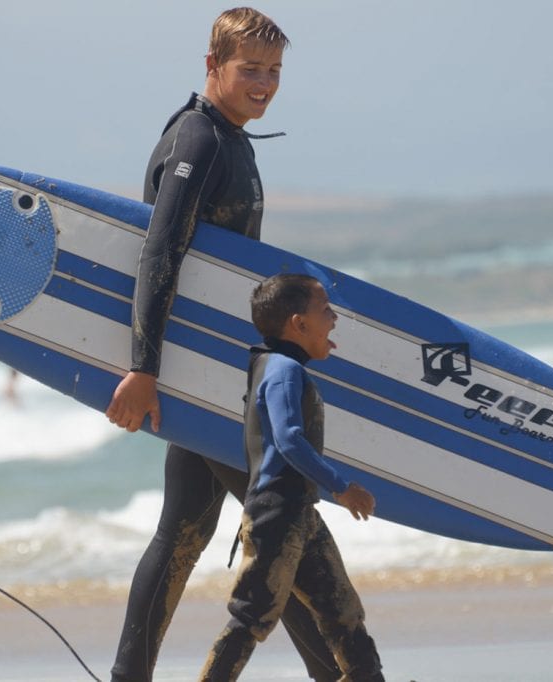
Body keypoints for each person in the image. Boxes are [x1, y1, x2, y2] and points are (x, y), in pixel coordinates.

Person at [106, 8, 346, 681]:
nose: (264, 83)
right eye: (250, 69)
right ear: (213, 66)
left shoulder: (232, 139)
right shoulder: (199, 141)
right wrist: (144, 369)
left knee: (184, 530)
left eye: (273, 72)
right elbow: (160, 252)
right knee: (281, 529)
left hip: (214, 373)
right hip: (199, 372)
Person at [199, 273, 384, 681]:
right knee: (252, 617)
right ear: (299, 324)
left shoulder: (275, 365)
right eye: (326, 310)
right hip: (276, 516)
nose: (334, 318)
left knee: (344, 614)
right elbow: (288, 440)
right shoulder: (284, 371)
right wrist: (342, 487)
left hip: (298, 513)